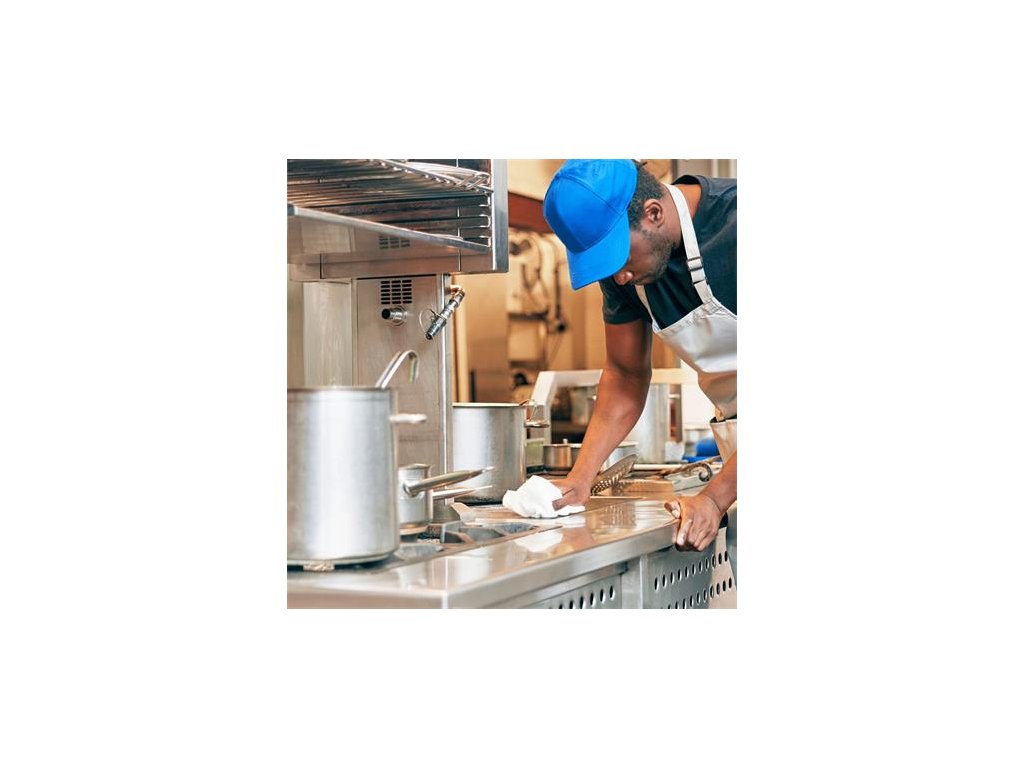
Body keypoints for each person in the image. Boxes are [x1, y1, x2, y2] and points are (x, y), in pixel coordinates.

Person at [542, 159, 737, 570]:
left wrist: (714, 498)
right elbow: (625, 374)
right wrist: (581, 478)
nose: (619, 278)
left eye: (619, 258)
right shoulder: (625, 273)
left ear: (653, 213)